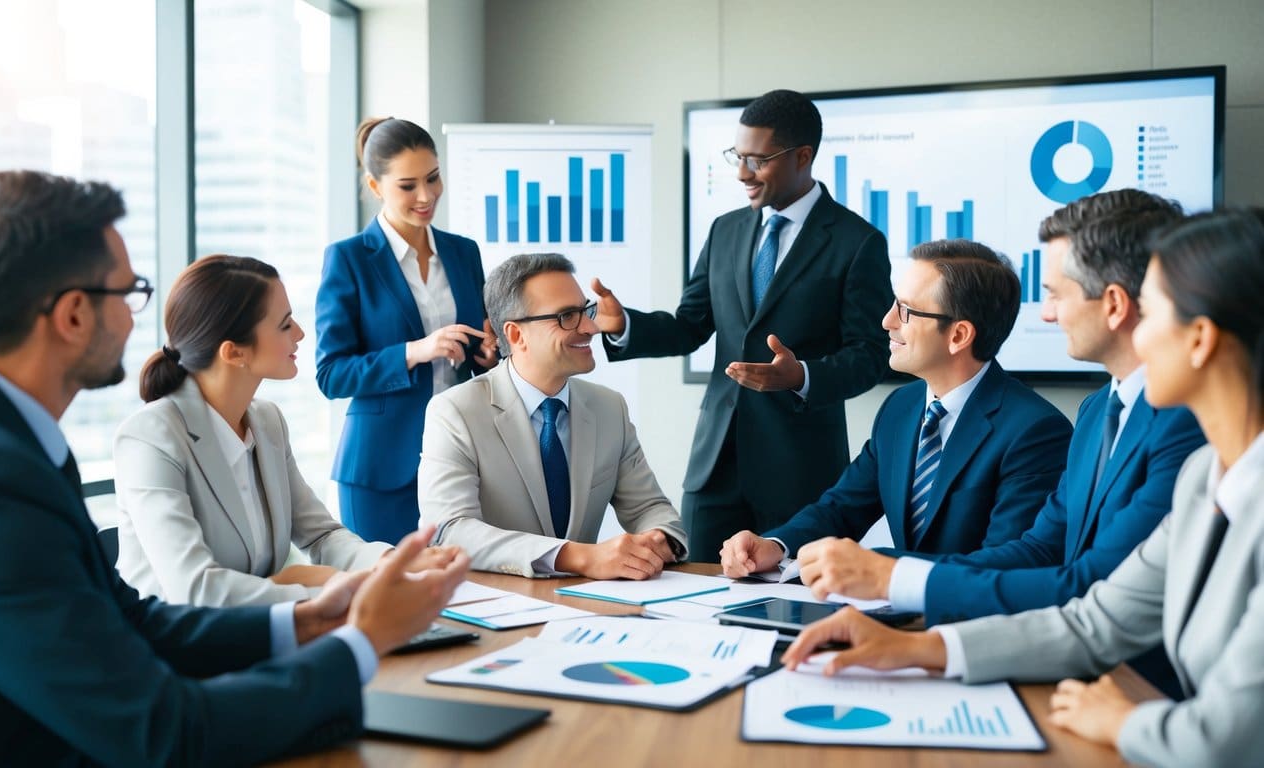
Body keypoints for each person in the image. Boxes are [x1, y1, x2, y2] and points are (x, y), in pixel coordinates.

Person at [0, 170, 468, 766]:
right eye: (129, 292)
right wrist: (363, 640)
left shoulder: (5, 445)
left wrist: (311, 622)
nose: (140, 319)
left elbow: (131, 618)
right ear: (74, 315)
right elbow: (165, 732)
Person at [782, 210, 1264, 767]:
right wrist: (916, 648)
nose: (1135, 332)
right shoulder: (1205, 475)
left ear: (1200, 338)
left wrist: (1125, 720)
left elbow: (1219, 738)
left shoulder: (1170, 452)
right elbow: (1096, 619)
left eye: (1149, 311)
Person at [593, 89, 893, 560]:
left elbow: (871, 354)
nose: (742, 173)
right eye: (738, 156)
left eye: (758, 160)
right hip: (716, 468)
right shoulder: (725, 230)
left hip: (801, 474)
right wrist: (624, 324)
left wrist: (803, 376)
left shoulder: (858, 242)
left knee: (796, 612)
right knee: (693, 601)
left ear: (802, 156)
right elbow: (689, 325)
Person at [114, 255, 456, 606]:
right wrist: (322, 588)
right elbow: (197, 589)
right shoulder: (150, 437)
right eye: (284, 324)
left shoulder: (267, 422)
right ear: (234, 353)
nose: (301, 334)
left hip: (263, 634)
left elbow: (322, 535)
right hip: (174, 650)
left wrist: (390, 564)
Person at [720, 239, 1072, 575]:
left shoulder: (1034, 432)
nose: (886, 321)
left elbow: (1005, 564)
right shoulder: (900, 408)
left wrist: (879, 568)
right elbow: (841, 508)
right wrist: (776, 543)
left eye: (905, 310)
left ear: (959, 336)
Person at [419, 253, 688, 579]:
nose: (591, 327)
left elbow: (649, 508)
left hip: (589, 608)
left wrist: (658, 539)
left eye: (585, 311)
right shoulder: (454, 412)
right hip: (501, 607)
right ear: (516, 335)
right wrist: (577, 557)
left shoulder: (609, 408)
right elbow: (449, 530)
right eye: (567, 317)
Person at [315, 116, 495, 543]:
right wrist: (415, 350)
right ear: (375, 187)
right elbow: (331, 374)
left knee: (468, 589)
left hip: (461, 457)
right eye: (408, 185)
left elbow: (479, 352)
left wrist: (488, 356)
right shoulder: (349, 259)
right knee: (387, 597)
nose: (426, 195)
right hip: (381, 468)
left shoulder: (462, 252)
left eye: (433, 178)